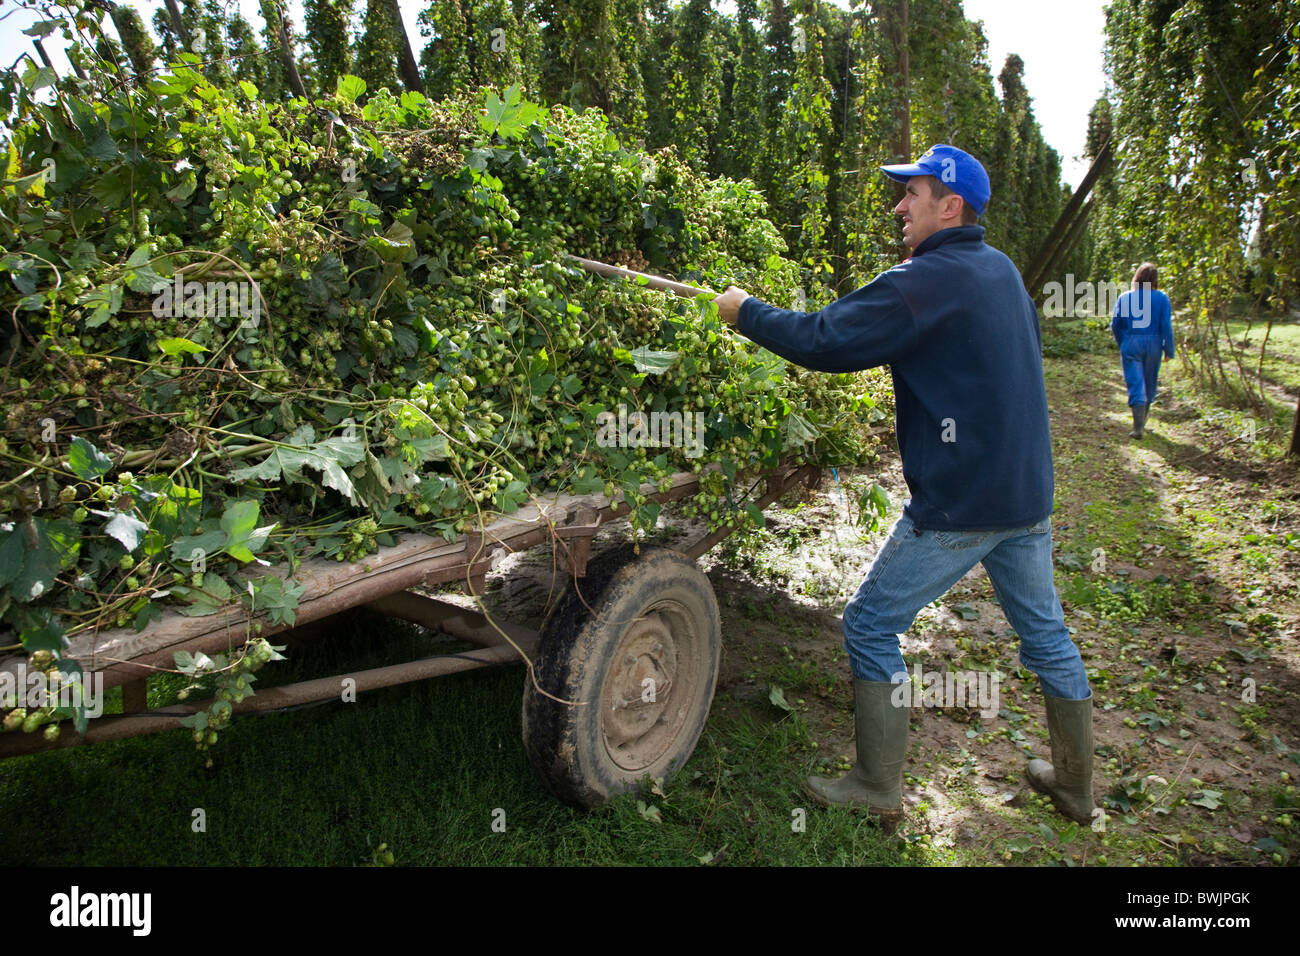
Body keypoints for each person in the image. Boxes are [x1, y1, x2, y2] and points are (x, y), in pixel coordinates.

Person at [714, 144, 1095, 826]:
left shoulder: (924, 280)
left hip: (961, 503)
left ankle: (874, 786)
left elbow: (824, 340)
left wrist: (745, 312)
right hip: (1025, 497)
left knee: (867, 624)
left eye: (911, 195)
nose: (899, 206)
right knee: (1046, 637)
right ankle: (1074, 788)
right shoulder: (1000, 270)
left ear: (950, 207)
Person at [1111, 262, 1175, 438]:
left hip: (1131, 342)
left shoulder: (1125, 298)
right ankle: (1143, 420)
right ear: (1155, 280)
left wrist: (1122, 342)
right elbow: (1166, 326)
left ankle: (1137, 427)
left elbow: (1115, 324)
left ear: (1136, 277)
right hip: (1154, 343)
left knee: (1135, 382)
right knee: (1149, 382)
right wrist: (1169, 349)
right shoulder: (1162, 298)